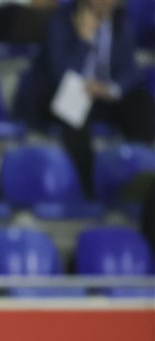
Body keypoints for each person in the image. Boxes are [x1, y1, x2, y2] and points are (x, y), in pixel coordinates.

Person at [15, 0, 155, 196]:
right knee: (74, 104)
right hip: (60, 94)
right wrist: (84, 39)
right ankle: (87, 187)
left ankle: (141, 175)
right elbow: (60, 73)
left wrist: (110, 89)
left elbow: (131, 70)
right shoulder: (61, 20)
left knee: (140, 103)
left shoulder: (121, 22)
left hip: (101, 96)